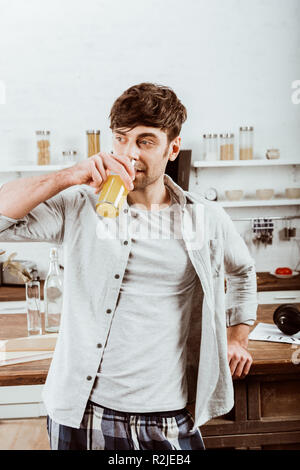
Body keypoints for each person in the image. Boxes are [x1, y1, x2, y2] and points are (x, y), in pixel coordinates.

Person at [0, 83, 257, 450]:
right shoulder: (78, 206)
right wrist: (68, 176)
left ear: (173, 147)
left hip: (168, 415)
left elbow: (243, 272)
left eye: (145, 141)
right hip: (82, 413)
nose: (129, 153)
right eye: (121, 139)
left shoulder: (205, 219)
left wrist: (237, 338)